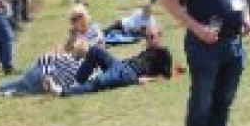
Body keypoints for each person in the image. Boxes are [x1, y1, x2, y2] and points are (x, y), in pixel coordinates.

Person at [44, 24, 173, 97]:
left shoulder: (163, 53)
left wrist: (147, 79)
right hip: (120, 65)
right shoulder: (147, 51)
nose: (149, 39)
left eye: (152, 37)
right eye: (147, 37)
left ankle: (62, 92)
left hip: (129, 74)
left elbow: (166, 76)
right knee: (94, 50)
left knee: (99, 82)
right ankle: (76, 84)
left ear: (160, 36)